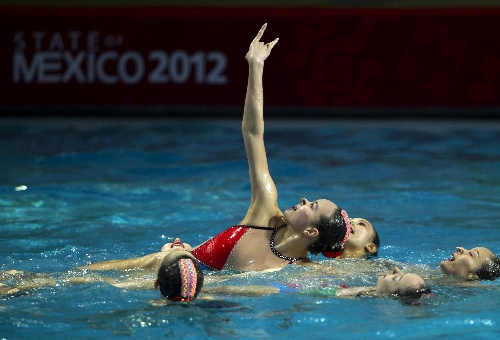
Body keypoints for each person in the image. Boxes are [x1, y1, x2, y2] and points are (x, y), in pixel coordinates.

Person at [204, 267, 431, 305]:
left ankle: (208, 290)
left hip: (304, 293)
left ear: (389, 296)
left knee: (271, 289)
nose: (395, 271)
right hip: (310, 289)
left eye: (397, 279)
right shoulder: (369, 290)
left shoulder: (357, 295)